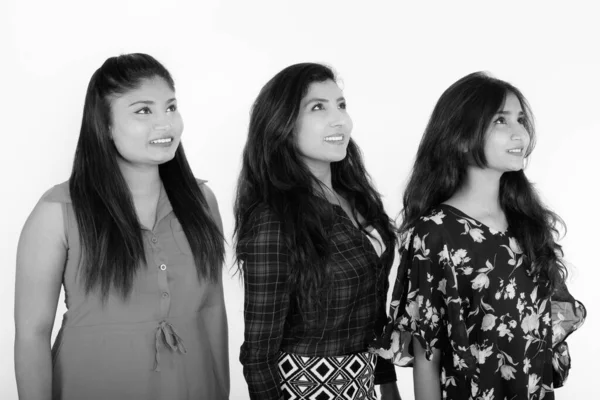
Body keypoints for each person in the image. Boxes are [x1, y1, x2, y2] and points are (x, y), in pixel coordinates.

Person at [14, 53, 229, 400]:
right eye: (144, 110)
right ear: (106, 124)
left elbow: (212, 308)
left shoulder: (202, 202)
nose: (165, 124)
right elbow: (32, 334)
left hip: (191, 386)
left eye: (171, 107)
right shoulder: (57, 211)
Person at [372, 72, 586, 400]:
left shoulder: (527, 219)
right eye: (501, 121)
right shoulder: (436, 233)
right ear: (460, 135)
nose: (520, 133)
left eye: (520, 119)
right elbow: (427, 354)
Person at [234, 62, 402, 400]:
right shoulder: (273, 220)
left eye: (341, 105)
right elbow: (257, 355)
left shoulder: (357, 198)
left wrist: (388, 386)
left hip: (362, 385)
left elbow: (372, 311)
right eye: (317, 108)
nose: (339, 119)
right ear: (282, 124)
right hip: (304, 389)